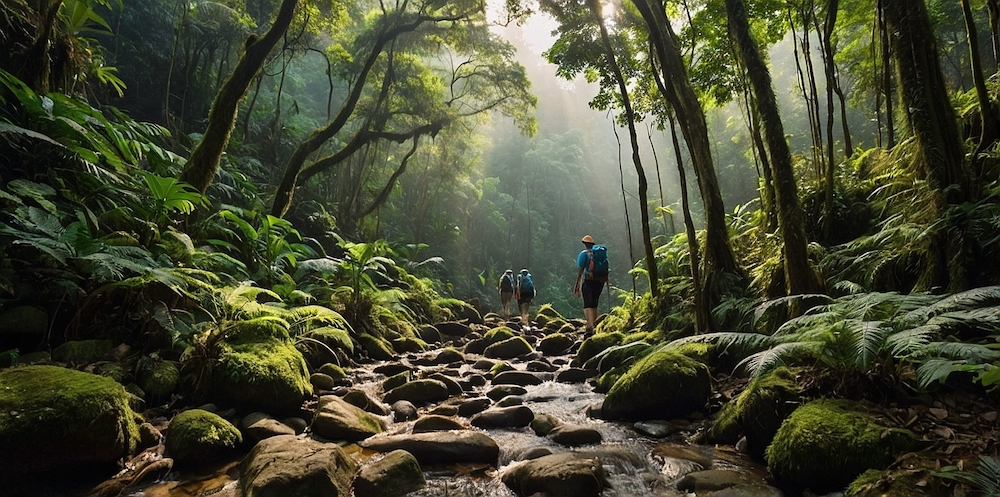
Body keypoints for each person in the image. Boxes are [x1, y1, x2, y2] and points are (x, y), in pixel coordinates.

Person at [574, 234, 607, 334]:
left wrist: (577, 285)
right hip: (600, 281)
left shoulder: (584, 254)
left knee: (588, 303)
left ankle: (590, 325)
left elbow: (580, 271)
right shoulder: (599, 254)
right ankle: (595, 324)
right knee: (595, 302)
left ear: (585, 244)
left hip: (588, 280)